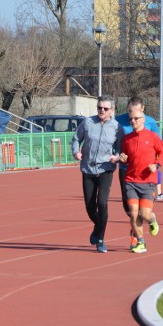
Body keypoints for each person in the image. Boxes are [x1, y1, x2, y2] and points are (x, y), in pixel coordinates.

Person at [71, 96, 120, 253]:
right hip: (88, 169)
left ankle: (100, 239)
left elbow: (121, 148)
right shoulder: (88, 123)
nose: (102, 111)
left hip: (106, 169)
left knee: (102, 203)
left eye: (105, 108)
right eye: (99, 107)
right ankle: (98, 226)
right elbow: (76, 139)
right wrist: (75, 152)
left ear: (111, 110)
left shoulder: (117, 128)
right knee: (90, 207)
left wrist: (117, 156)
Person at [118, 105, 163, 254]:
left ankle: (152, 221)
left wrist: (157, 164)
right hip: (131, 180)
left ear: (143, 119)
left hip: (148, 181)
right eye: (131, 119)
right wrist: (123, 158)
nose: (133, 121)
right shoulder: (127, 139)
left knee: (144, 214)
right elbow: (125, 158)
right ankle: (141, 242)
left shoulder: (152, 137)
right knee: (134, 213)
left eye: (136, 118)